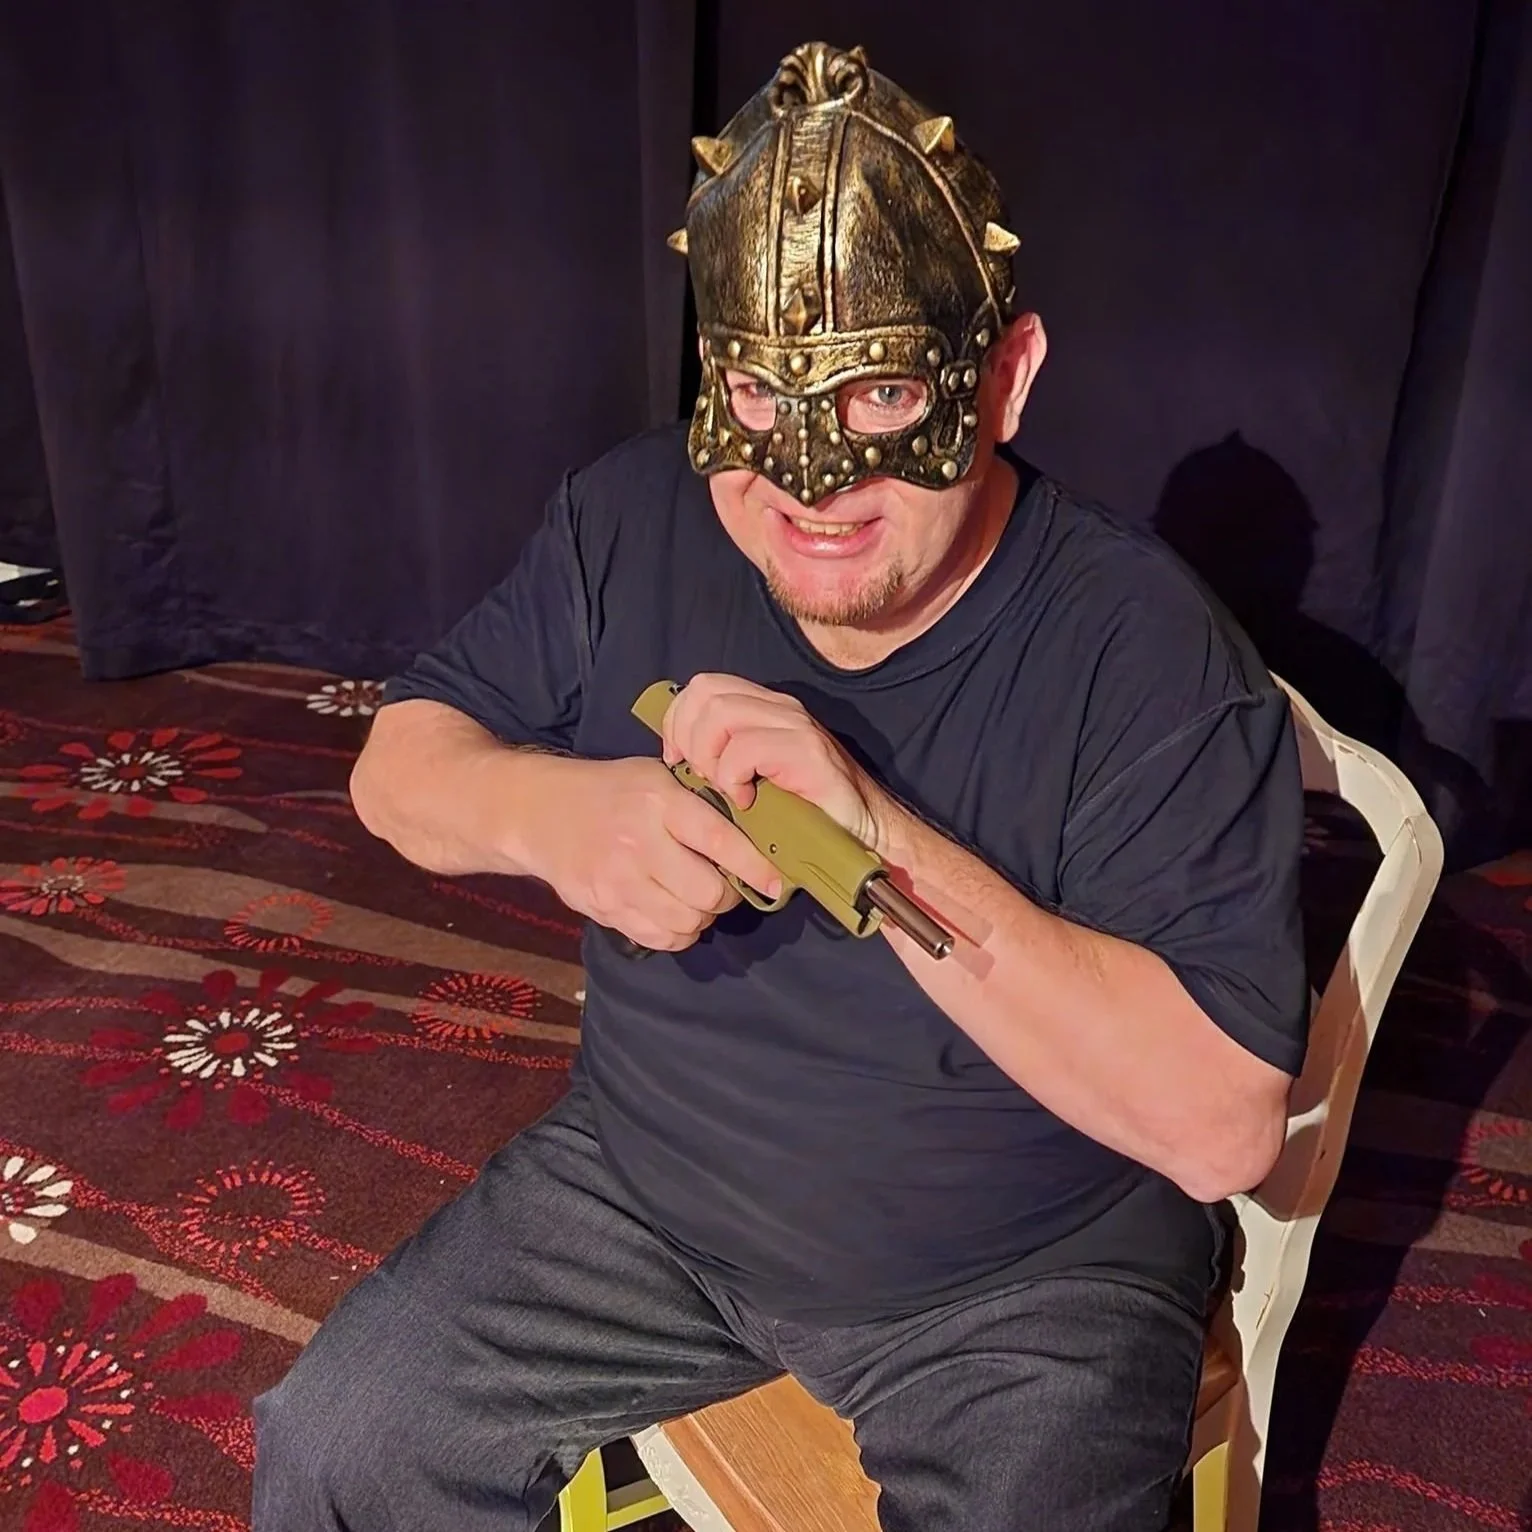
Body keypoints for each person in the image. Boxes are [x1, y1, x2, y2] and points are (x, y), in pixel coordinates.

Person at [252, 40, 1307, 1532]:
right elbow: (397, 767)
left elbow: (1219, 1130)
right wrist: (556, 815)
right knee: (338, 1448)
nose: (810, 486)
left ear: (1003, 379)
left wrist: (877, 833)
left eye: (882, 396)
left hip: (1023, 1274)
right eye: (756, 393)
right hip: (641, 1199)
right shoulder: (635, 517)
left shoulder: (1147, 654)